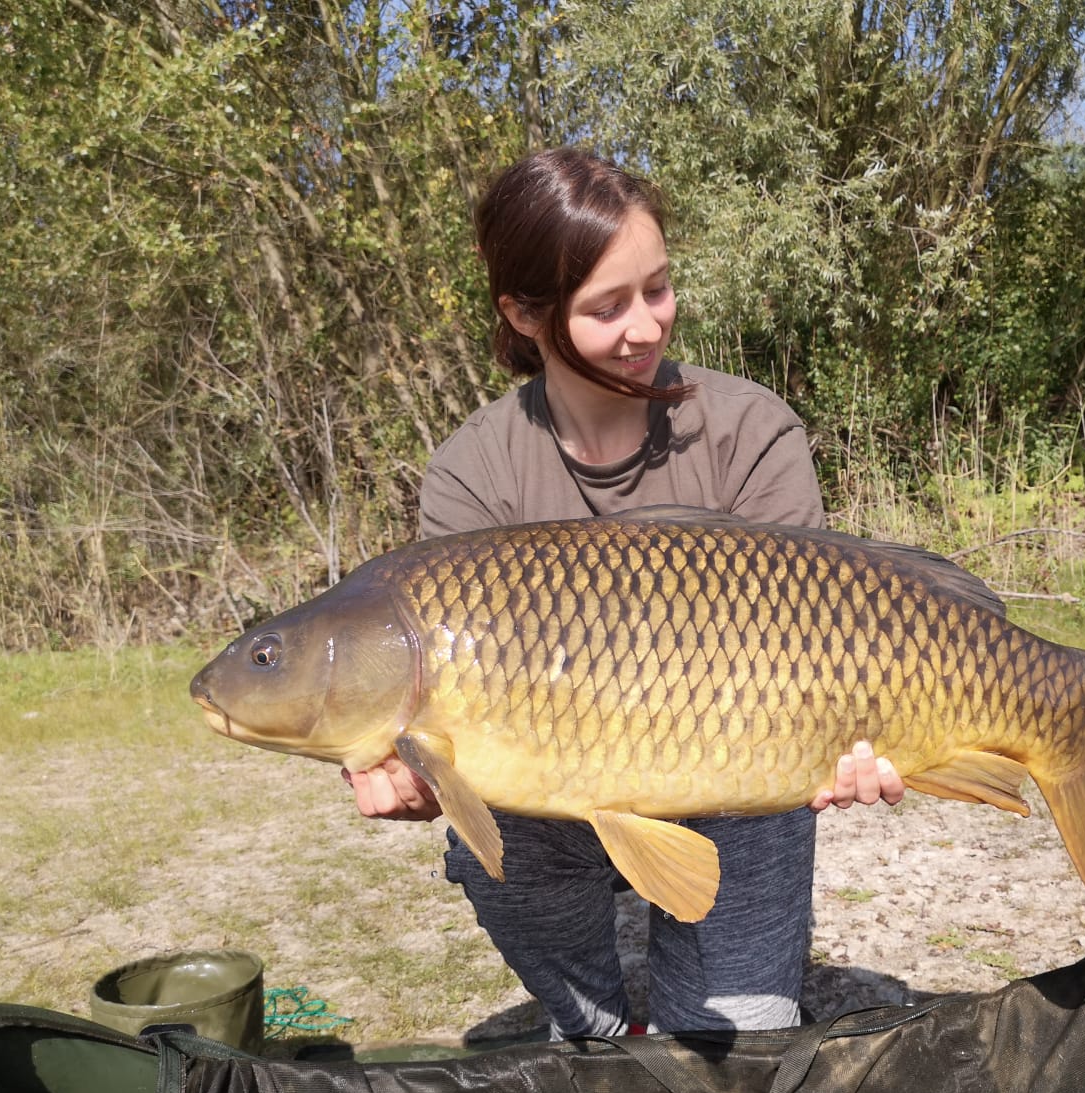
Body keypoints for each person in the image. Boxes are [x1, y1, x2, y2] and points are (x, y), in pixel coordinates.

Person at [344, 146, 903, 1040]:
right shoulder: (474, 472)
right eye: (607, 307)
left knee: (736, 1042)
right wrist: (396, 764)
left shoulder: (750, 433)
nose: (647, 327)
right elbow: (436, 690)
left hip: (735, 781)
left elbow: (821, 634)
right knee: (583, 1023)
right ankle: (599, 1022)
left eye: (658, 289)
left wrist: (857, 744)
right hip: (549, 800)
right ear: (525, 314)